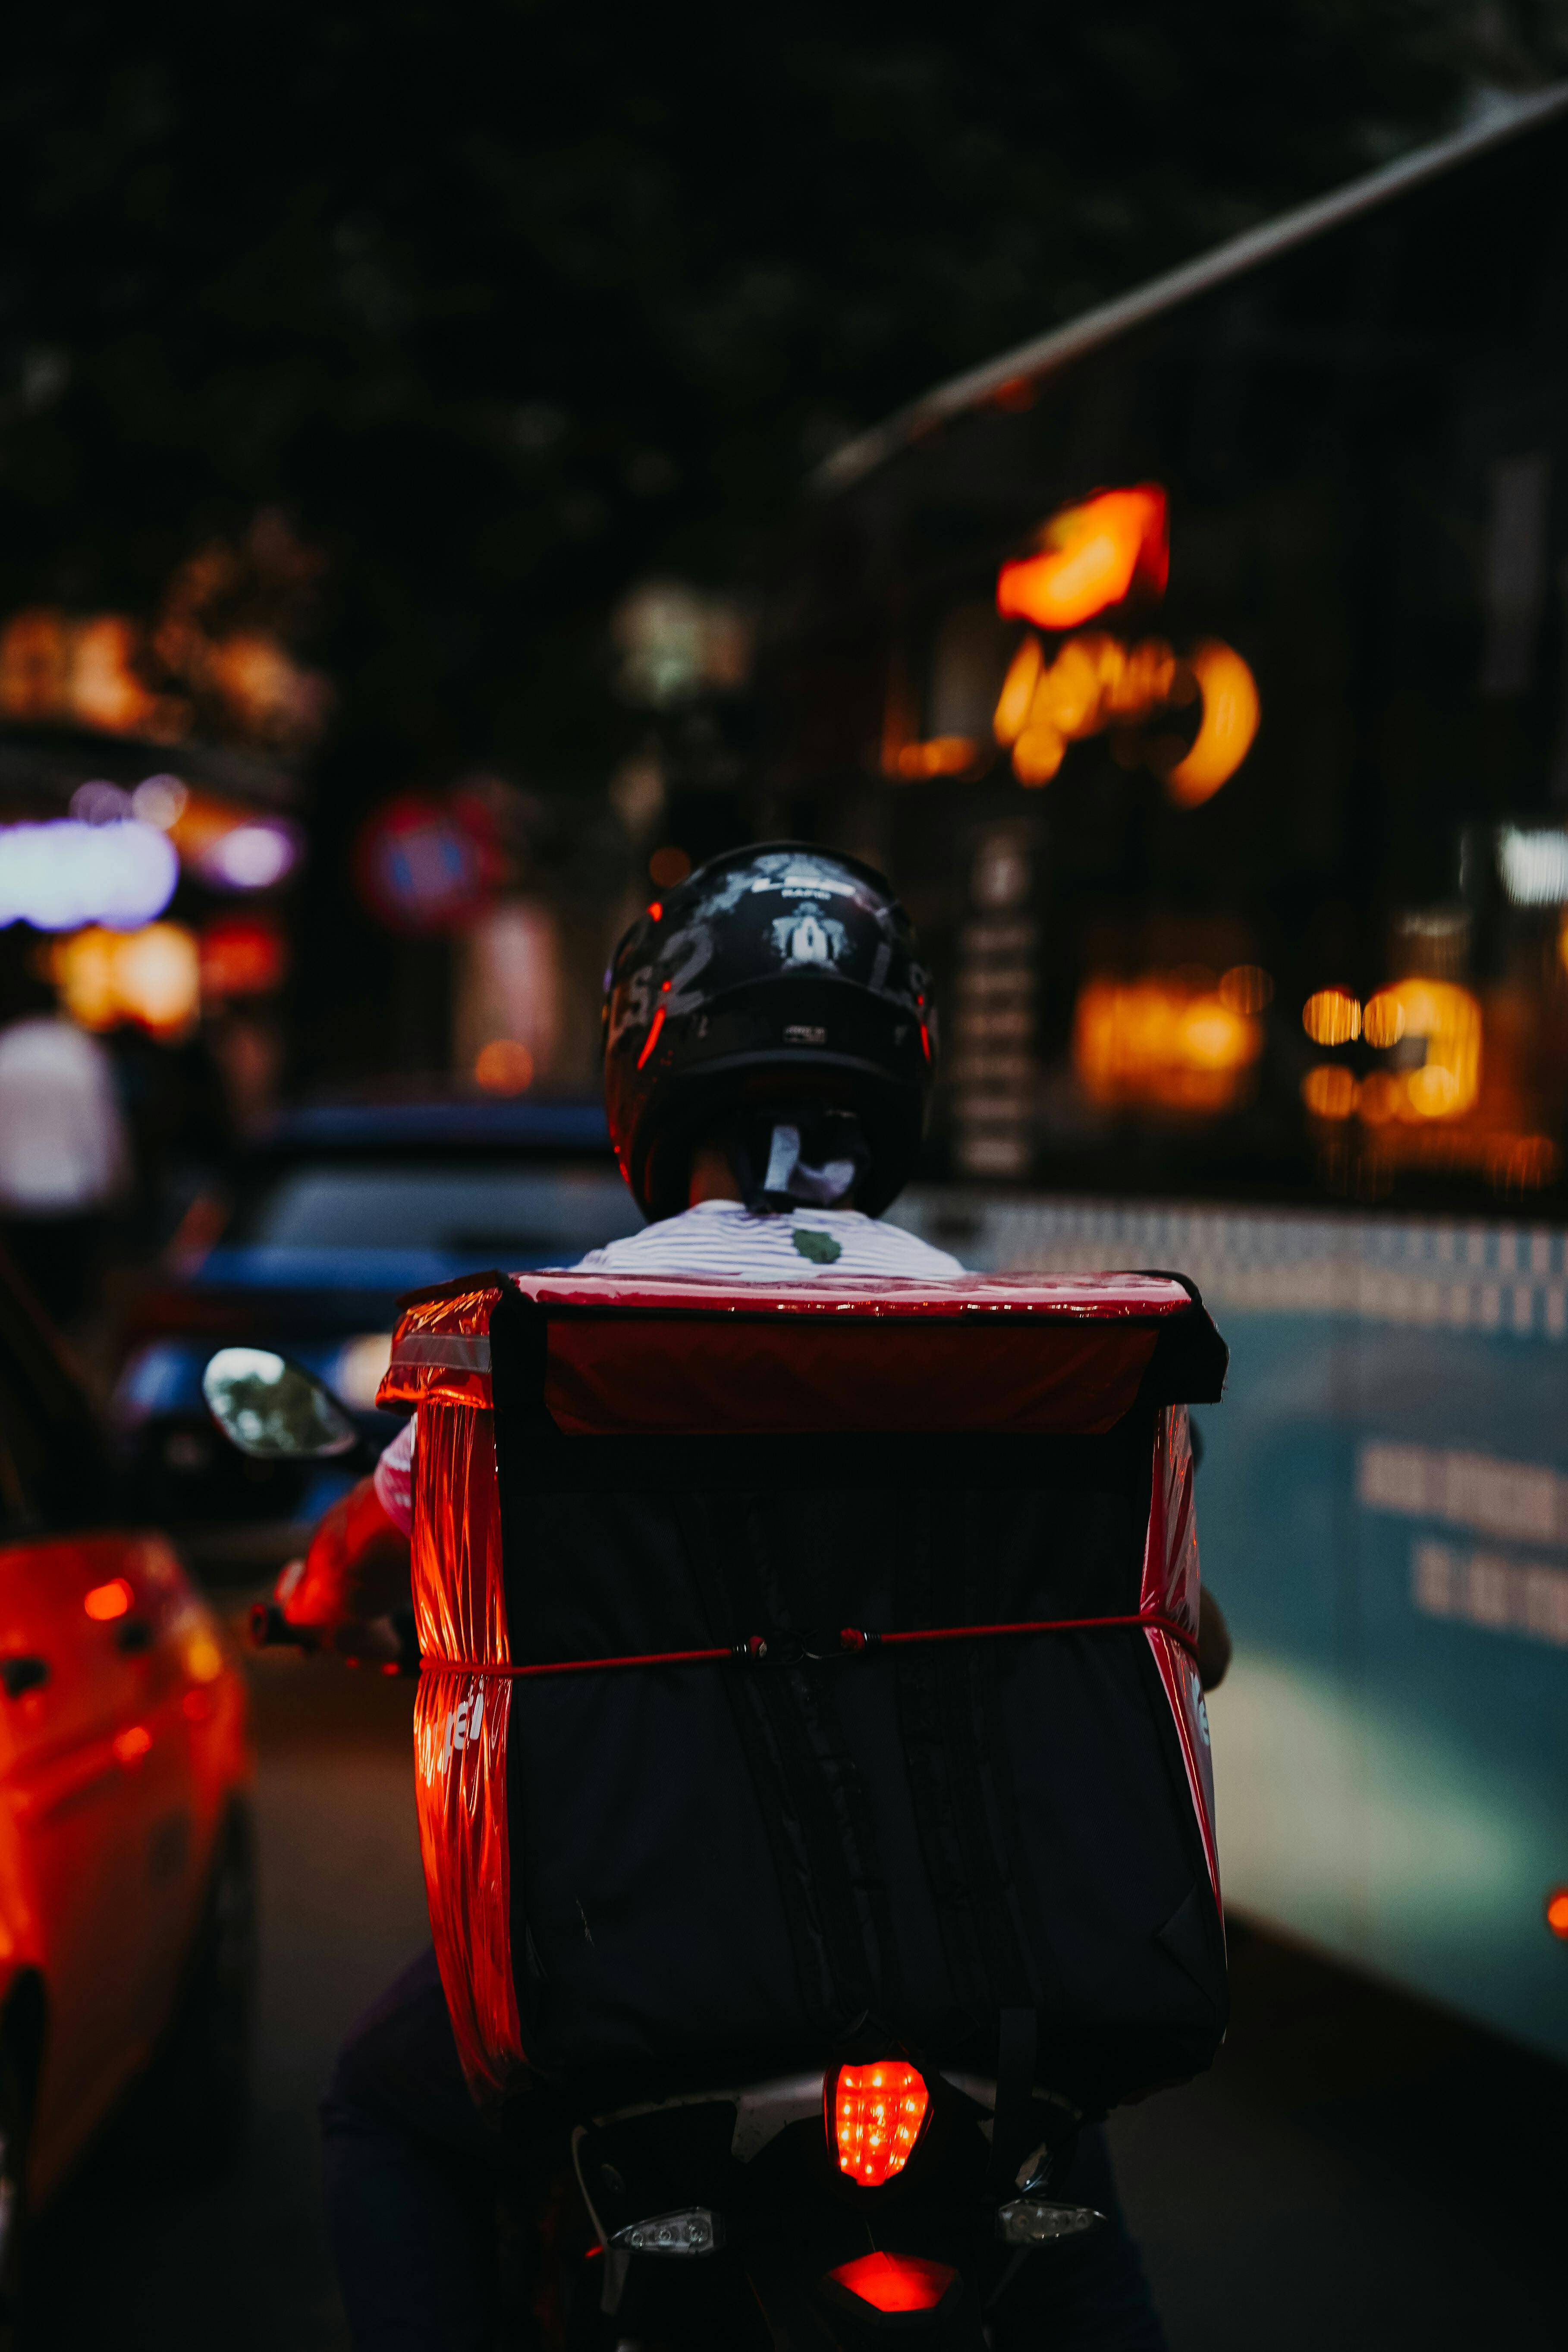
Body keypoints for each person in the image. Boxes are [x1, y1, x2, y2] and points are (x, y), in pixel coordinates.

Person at [286, 844, 1219, 2349]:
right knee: (1063, 2195)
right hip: (974, 1951)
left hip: (635, 1957)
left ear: (653, 1066)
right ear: (901, 1063)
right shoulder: (1022, 1345)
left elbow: (372, 1545)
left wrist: (311, 1593)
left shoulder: (549, 1338)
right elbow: (1179, 1624)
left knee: (380, 2112)